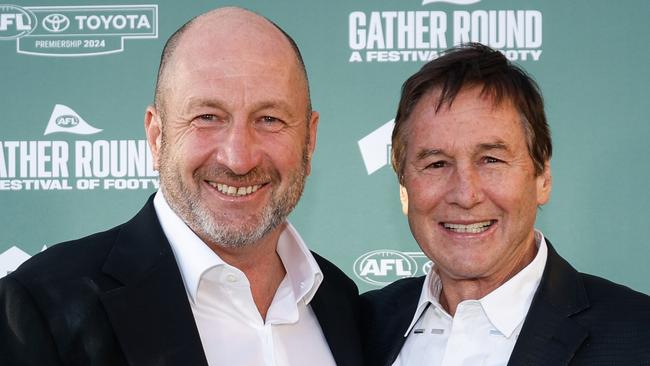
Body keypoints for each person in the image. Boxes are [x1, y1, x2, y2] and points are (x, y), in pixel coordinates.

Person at [0, 7, 363, 366]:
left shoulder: (344, 303)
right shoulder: (44, 305)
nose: (239, 158)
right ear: (157, 136)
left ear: (310, 139)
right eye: (207, 117)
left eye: (269, 119)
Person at [361, 43, 650, 366]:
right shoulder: (359, 328)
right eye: (437, 164)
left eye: (491, 160)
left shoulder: (639, 336)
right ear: (404, 184)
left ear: (543, 177)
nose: (465, 194)